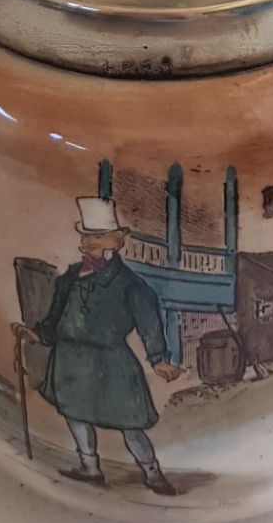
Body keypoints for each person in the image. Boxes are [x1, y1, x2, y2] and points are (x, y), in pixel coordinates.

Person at [22, 196, 183, 495]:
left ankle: (151, 471)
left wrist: (158, 358)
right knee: (74, 412)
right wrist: (40, 334)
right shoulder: (71, 276)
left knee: (129, 421)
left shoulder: (128, 283)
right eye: (86, 235)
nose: (88, 242)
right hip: (71, 357)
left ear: (116, 241)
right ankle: (90, 466)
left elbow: (148, 320)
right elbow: (56, 314)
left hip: (111, 361)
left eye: (96, 236)